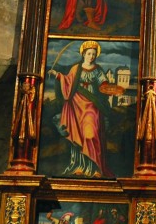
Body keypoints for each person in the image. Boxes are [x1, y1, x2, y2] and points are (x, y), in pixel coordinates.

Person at [49, 40, 118, 177]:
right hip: (76, 104)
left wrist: (108, 87)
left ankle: (95, 167)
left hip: (92, 106)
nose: (91, 56)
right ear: (84, 54)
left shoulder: (98, 70)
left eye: (93, 54)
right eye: (89, 53)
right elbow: (68, 80)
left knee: (91, 134)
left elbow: (103, 83)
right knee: (78, 135)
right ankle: (80, 166)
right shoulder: (76, 68)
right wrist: (57, 75)